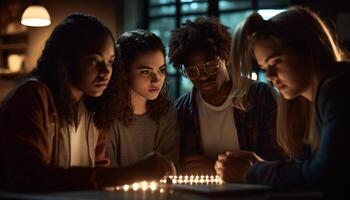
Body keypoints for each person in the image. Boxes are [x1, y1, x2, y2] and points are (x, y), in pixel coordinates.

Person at [0, 14, 174, 192]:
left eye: (110, 62)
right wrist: (132, 173)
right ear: (66, 59)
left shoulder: (94, 107)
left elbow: (100, 170)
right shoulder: (33, 96)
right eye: (94, 60)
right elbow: (29, 176)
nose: (106, 71)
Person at [215, 6, 349, 197]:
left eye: (275, 62)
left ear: (307, 49)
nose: (269, 76)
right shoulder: (314, 101)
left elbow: (324, 174)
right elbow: (308, 168)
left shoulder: (339, 88)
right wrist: (263, 166)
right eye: (263, 67)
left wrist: (251, 172)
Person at [168, 17, 285, 175]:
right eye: (192, 71)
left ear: (226, 58)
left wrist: (216, 168)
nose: (203, 76)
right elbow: (186, 168)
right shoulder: (182, 110)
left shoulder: (260, 97)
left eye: (210, 66)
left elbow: (279, 161)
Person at [106, 29, 179, 167]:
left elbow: (168, 169)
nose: (156, 79)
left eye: (161, 70)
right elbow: (107, 173)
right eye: (146, 72)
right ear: (124, 71)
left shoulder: (166, 114)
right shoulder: (108, 114)